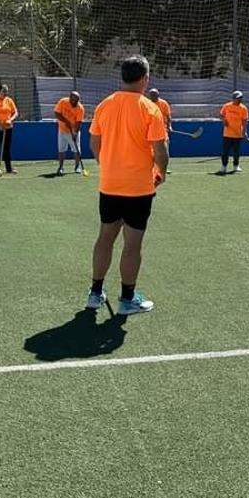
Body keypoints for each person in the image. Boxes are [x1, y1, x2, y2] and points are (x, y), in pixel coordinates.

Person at [87, 55, 169, 316]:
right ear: (145, 79)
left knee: (105, 237)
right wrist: (161, 173)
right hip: (138, 189)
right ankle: (127, 299)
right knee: (132, 245)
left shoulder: (104, 105)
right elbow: (161, 151)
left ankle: (95, 293)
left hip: (110, 185)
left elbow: (94, 143)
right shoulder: (150, 108)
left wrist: (107, 164)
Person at [54, 91, 86, 175]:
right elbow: (57, 113)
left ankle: (77, 167)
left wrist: (75, 133)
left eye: (76, 100)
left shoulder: (80, 109)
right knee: (61, 149)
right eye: (73, 100)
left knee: (76, 150)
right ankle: (61, 167)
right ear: (70, 98)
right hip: (62, 130)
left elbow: (78, 123)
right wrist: (66, 121)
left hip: (73, 131)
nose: (74, 102)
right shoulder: (63, 102)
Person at [219, 90, 249, 175]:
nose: (240, 100)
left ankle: (236, 166)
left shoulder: (243, 108)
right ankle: (224, 166)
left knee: (236, 152)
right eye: (238, 98)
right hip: (227, 133)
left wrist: (244, 131)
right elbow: (221, 115)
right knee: (225, 151)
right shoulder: (227, 106)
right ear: (233, 98)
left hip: (238, 133)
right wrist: (224, 120)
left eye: (240, 98)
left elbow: (245, 121)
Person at [147, 88, 173, 174]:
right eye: (151, 95)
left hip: (162, 130)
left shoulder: (163, 103)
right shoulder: (147, 103)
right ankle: (152, 168)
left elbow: (168, 116)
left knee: (164, 149)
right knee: (151, 150)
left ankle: (163, 169)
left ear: (158, 95)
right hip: (150, 131)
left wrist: (169, 126)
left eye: (154, 95)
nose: (152, 97)